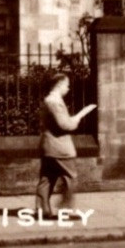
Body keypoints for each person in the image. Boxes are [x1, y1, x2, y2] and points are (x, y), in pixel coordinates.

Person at [35, 73, 96, 216]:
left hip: (48, 146)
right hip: (60, 148)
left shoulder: (47, 100)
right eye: (67, 85)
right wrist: (80, 116)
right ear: (60, 85)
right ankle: (65, 209)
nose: (68, 88)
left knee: (47, 179)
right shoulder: (54, 101)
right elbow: (65, 125)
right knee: (71, 178)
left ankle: (42, 209)